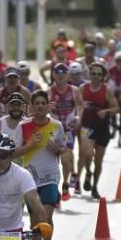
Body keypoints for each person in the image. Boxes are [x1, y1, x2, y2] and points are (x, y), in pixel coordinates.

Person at [21, 91, 66, 240]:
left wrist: (58, 150)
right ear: (31, 106)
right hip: (29, 177)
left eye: (43, 103)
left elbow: (64, 149)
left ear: (47, 106)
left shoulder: (57, 126)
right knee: (34, 219)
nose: (40, 106)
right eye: (36, 103)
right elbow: (16, 150)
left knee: (46, 216)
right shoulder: (23, 127)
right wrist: (29, 145)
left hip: (50, 177)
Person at [76, 62, 120, 200]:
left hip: (102, 128)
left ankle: (95, 186)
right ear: (89, 74)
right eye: (93, 73)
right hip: (86, 127)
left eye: (99, 74)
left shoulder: (106, 90)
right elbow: (76, 105)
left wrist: (106, 111)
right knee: (86, 153)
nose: (95, 77)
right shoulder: (83, 89)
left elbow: (116, 108)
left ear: (103, 76)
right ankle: (88, 172)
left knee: (98, 161)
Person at [48, 62, 83, 198]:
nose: (60, 76)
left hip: (68, 130)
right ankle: (55, 187)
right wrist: (47, 108)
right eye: (58, 74)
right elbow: (42, 109)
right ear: (54, 75)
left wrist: (78, 117)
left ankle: (65, 183)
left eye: (63, 74)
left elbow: (80, 106)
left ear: (68, 75)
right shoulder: (49, 91)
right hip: (53, 130)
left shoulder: (74, 90)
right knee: (53, 161)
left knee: (65, 157)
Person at [0, 93, 31, 161]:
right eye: (12, 105)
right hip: (2, 167)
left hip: (25, 168)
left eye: (19, 105)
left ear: (24, 107)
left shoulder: (29, 124)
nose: (16, 108)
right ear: (6, 107)